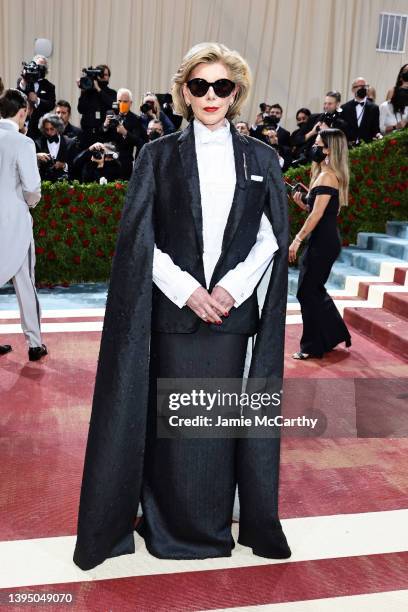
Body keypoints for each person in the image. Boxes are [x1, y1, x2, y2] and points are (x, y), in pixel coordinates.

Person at [73, 41, 291, 571]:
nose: (211, 95)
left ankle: (213, 526)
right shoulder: (157, 155)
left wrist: (231, 290)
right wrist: (187, 289)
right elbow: (139, 239)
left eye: (222, 86)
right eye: (200, 86)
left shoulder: (261, 158)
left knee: (214, 431)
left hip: (231, 318)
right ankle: (167, 528)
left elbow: (270, 237)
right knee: (171, 426)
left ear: (236, 92)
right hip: (174, 314)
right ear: (185, 92)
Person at [289, 128, 351, 359]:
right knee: (312, 291)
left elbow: (316, 216)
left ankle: (312, 346)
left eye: (318, 144)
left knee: (308, 291)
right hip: (323, 240)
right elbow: (316, 211)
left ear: (329, 150)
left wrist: (296, 240)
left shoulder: (327, 176)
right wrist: (302, 203)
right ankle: (333, 333)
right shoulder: (325, 174)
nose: (314, 148)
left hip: (322, 242)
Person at [0, 89, 47, 361]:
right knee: (26, 282)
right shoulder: (22, 143)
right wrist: (29, 204)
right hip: (15, 222)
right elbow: (32, 188)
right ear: (22, 113)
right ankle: (34, 343)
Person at [101, 88, 147, 178]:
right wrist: (105, 125)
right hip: (109, 161)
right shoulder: (110, 115)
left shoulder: (136, 119)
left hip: (125, 162)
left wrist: (125, 132)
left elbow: (137, 141)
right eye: (119, 101)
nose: (122, 104)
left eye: (125, 101)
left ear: (130, 103)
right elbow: (101, 136)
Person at [17, 55, 56, 141]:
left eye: (43, 67)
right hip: (22, 126)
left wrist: (37, 100)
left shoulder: (49, 86)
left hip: (40, 128)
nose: (40, 68)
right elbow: (18, 96)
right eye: (38, 66)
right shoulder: (23, 81)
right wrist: (24, 79)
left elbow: (51, 105)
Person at [77, 64, 117, 148]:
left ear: (109, 77)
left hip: (104, 135)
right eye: (101, 74)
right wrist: (83, 90)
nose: (103, 77)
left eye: (105, 75)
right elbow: (80, 109)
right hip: (87, 134)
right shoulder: (88, 92)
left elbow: (113, 106)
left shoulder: (112, 93)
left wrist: (99, 89)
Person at [36, 113, 76, 181]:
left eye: (52, 129)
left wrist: (63, 165)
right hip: (44, 183)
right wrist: (37, 157)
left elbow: (75, 166)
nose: (49, 132)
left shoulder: (69, 143)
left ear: (58, 128)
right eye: (46, 129)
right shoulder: (38, 143)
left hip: (64, 184)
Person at [341, 77, 381, 144]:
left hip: (366, 147)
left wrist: (379, 136)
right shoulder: (345, 108)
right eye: (359, 86)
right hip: (348, 147)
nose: (362, 88)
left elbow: (376, 130)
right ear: (353, 90)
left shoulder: (374, 108)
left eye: (364, 86)